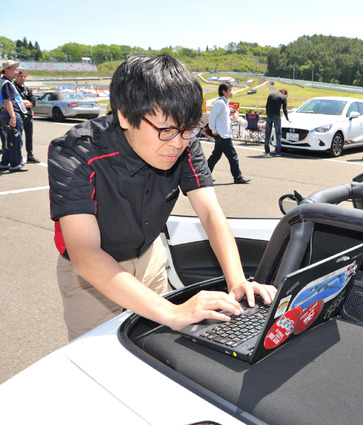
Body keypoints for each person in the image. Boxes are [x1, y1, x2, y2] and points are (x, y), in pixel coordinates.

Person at [48, 55, 275, 340]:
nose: (178, 143)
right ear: (124, 116)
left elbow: (209, 212)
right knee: (96, 360)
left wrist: (238, 281)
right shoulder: (75, 152)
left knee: (151, 345)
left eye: (187, 129)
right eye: (166, 130)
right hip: (93, 277)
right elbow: (85, 253)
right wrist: (173, 312)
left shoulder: (183, 141)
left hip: (150, 258)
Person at [207, 83, 251, 183]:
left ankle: (204, 175)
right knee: (232, 156)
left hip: (223, 134)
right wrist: (214, 131)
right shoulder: (220, 103)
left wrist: (231, 116)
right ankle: (238, 177)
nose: (232, 92)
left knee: (215, 156)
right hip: (222, 135)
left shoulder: (225, 103)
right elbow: (211, 117)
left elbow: (222, 118)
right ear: (224, 91)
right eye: (230, 90)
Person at [0, 60, 28, 172]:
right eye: (15, 69)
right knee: (16, 139)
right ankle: (15, 163)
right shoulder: (6, 83)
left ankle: (5, 162)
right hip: (10, 113)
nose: (17, 71)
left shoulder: (4, 82)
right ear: (6, 70)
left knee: (9, 139)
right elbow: (8, 101)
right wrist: (13, 116)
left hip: (5, 113)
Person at [14, 69, 39, 163]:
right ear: (16, 76)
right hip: (18, 116)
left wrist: (27, 103)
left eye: (24, 76)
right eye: (21, 76)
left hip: (28, 116)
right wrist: (24, 102)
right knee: (17, 138)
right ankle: (18, 157)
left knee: (29, 137)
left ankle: (30, 155)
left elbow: (33, 102)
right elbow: (16, 102)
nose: (23, 78)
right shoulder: (13, 87)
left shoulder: (27, 89)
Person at [264, 89, 290, 156]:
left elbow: (266, 106)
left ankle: (267, 151)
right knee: (278, 135)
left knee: (267, 134)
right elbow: (285, 109)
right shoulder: (283, 97)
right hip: (277, 116)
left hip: (269, 115)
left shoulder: (271, 95)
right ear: (284, 93)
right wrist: (287, 119)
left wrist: (267, 114)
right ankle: (278, 152)